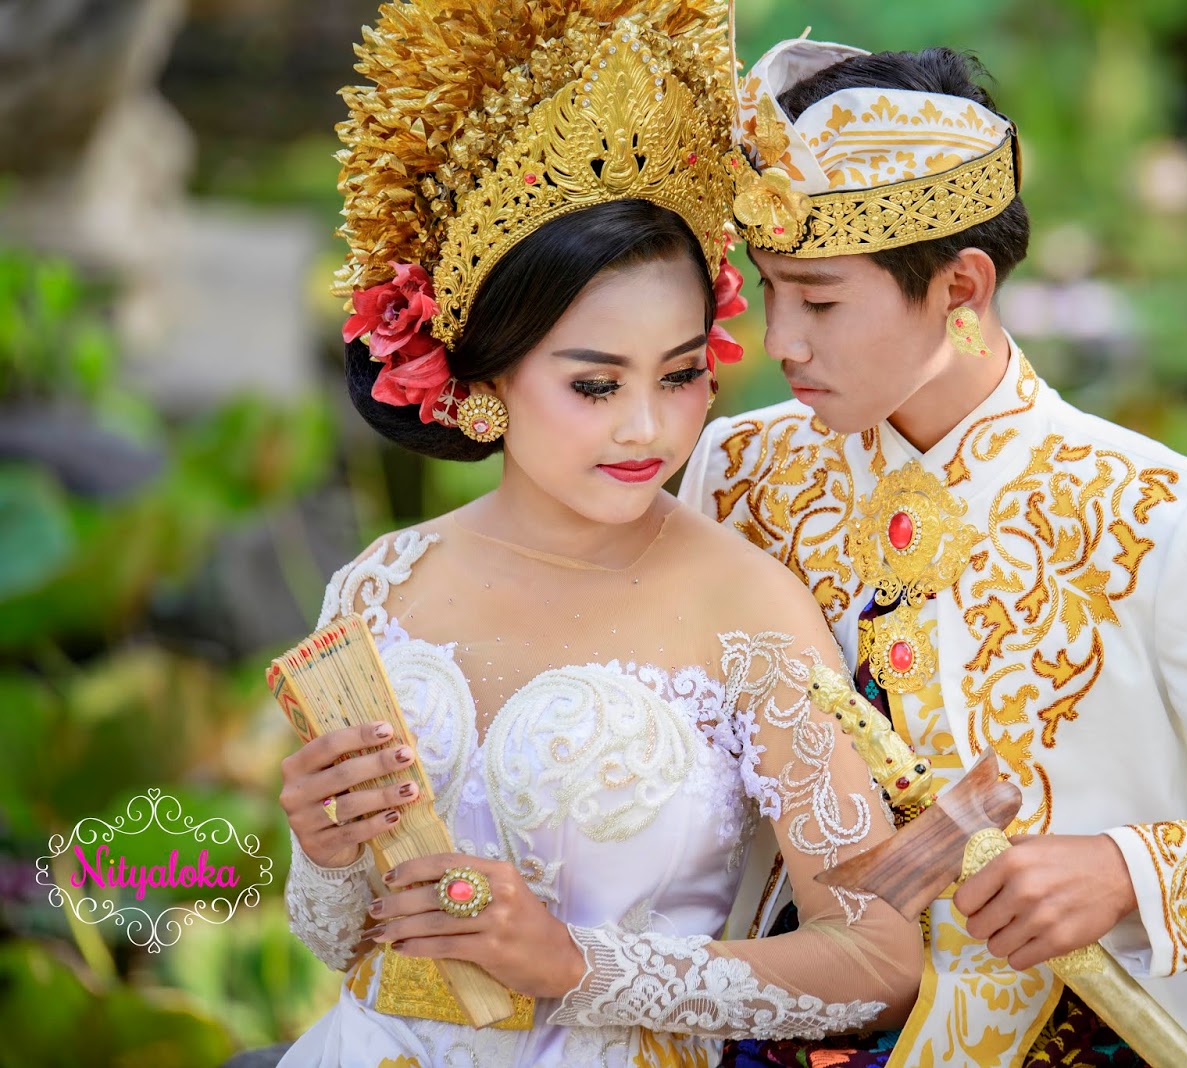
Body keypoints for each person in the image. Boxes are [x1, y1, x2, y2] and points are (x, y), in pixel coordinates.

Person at [680, 38, 1187, 1068]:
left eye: (821, 299)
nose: (782, 341)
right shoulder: (740, 468)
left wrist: (1126, 874)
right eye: (768, 292)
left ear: (961, 287)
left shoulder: (1157, 514)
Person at [273, 5, 922, 1065]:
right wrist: (326, 852)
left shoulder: (744, 607)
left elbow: (879, 959)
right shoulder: (379, 583)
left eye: (678, 375)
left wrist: (578, 966)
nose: (647, 427)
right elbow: (342, 940)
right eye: (593, 383)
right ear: (486, 373)